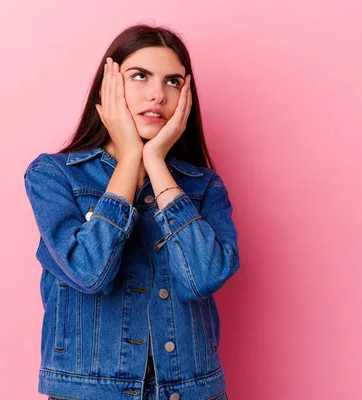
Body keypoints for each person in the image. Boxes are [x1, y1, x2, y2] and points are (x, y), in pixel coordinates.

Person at [23, 23, 240, 400]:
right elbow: (89, 273)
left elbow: (202, 277)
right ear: (108, 86)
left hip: (191, 391)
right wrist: (129, 160)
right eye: (139, 76)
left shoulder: (204, 186)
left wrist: (155, 162)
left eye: (173, 82)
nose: (157, 94)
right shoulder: (53, 176)